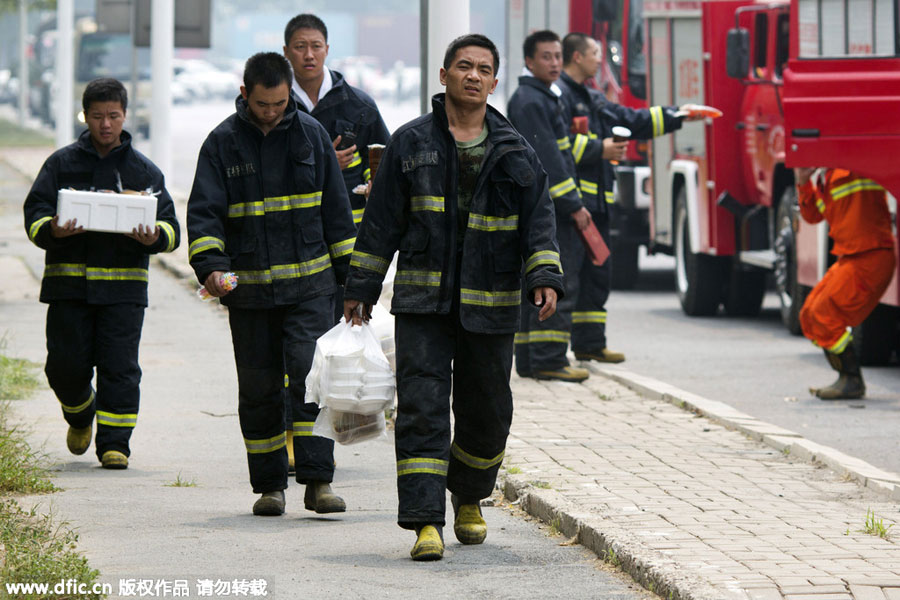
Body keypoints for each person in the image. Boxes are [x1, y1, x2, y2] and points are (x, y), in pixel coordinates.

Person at [342, 34, 564, 561]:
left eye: (483, 69)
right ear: (443, 76)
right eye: (463, 66)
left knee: (488, 407)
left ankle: (468, 496)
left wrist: (545, 275)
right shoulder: (410, 142)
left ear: (493, 80)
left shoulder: (515, 148)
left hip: (491, 304)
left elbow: (539, 220)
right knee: (421, 408)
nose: (473, 75)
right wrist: (360, 289)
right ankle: (424, 522)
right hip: (424, 304)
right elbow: (381, 224)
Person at [186, 53, 357, 516]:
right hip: (250, 294)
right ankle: (269, 487)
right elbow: (204, 216)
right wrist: (211, 268)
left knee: (310, 383)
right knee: (259, 389)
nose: (272, 112)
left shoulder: (311, 135)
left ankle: (318, 482)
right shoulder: (221, 144)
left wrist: (353, 286)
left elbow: (337, 217)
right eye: (263, 104)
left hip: (312, 290)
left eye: (280, 103)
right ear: (245, 94)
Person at [23, 77, 180, 470]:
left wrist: (154, 237)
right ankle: (80, 414)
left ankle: (115, 444)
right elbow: (34, 214)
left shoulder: (145, 172)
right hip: (68, 289)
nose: (106, 124)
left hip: (124, 293)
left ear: (125, 116)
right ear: (86, 116)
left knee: (120, 368)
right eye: (97, 116)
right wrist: (52, 229)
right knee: (63, 366)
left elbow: (172, 229)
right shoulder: (60, 164)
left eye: (113, 116)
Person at [281, 12, 391, 473]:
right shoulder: (274, 101)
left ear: (327, 49)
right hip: (293, 246)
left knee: (331, 342)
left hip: (345, 247)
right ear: (287, 51)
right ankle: (292, 438)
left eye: (316, 46)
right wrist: (322, 154)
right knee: (295, 349)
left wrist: (367, 181)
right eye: (300, 47)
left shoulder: (359, 106)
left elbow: (384, 167)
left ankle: (332, 429)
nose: (309, 54)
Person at [557, 32, 693, 365]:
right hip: (571, 209)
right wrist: (598, 149)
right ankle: (550, 354)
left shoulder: (591, 97)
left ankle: (591, 344)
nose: (599, 59)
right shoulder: (557, 97)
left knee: (597, 275)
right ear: (576, 57)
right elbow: (554, 149)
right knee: (568, 278)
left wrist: (680, 115)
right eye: (594, 53)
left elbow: (632, 120)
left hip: (598, 209)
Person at [507, 30, 589, 383]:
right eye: (546, 57)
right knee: (557, 279)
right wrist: (574, 204)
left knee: (537, 282)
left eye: (558, 56)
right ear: (529, 61)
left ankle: (530, 358)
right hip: (552, 209)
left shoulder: (541, 97)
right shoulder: (531, 101)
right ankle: (550, 359)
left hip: (547, 206)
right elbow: (550, 164)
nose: (555, 63)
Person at [794, 167, 895, 400]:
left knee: (823, 315)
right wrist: (803, 182)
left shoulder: (856, 167)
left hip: (870, 256)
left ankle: (851, 380)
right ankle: (846, 378)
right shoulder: (829, 175)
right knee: (809, 314)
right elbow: (814, 216)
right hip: (852, 257)